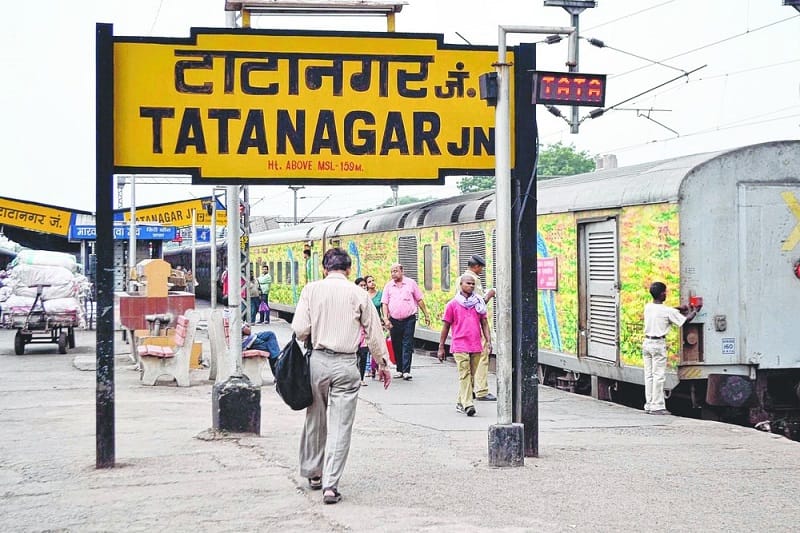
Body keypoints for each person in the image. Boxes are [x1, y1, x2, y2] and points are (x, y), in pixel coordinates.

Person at [291, 247, 392, 505]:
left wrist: (318, 330)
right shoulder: (359, 293)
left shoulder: (311, 290)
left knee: (315, 417)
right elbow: (374, 333)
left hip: (318, 362)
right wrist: (382, 364)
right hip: (348, 364)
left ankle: (314, 473)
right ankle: (330, 486)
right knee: (340, 426)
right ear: (348, 270)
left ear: (325, 268)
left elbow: (300, 329)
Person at [438, 275, 492, 417]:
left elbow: (485, 323)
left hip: (476, 345)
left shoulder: (478, 304)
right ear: (460, 284)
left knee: (471, 376)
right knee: (465, 374)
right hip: (459, 344)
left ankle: (460, 402)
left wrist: (489, 341)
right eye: (468, 283)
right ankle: (468, 404)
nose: (471, 286)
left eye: (473, 284)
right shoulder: (452, 305)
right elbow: (445, 326)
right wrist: (441, 347)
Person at [642, 281, 700, 415]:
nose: (666, 294)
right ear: (662, 294)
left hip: (646, 343)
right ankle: (657, 406)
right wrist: (695, 311)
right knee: (658, 376)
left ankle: (649, 404)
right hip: (658, 345)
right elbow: (685, 321)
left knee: (649, 376)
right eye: (665, 292)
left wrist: (679, 308)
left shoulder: (649, 307)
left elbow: (665, 311)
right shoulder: (666, 311)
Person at [381, 263, 430, 381]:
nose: (393, 274)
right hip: (394, 320)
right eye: (392, 271)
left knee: (407, 343)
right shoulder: (388, 286)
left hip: (409, 319)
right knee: (396, 344)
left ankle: (406, 371)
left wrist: (426, 314)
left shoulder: (411, 283)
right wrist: (386, 319)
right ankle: (399, 369)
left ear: (402, 271)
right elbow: (385, 303)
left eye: (396, 271)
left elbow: (419, 299)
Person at [459, 254, 497, 402]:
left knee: (472, 360)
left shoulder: (463, 279)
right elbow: (479, 305)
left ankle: (471, 390)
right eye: (480, 268)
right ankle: (481, 390)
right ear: (476, 267)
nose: (481, 270)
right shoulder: (472, 280)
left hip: (469, 325)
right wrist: (490, 294)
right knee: (482, 357)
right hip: (477, 324)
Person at [353, 277, 371, 386]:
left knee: (364, 356)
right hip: (355, 333)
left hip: (365, 333)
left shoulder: (368, 299)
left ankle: (361, 377)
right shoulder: (352, 299)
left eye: (365, 285)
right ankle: (355, 377)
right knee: (355, 356)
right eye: (361, 285)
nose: (364, 287)